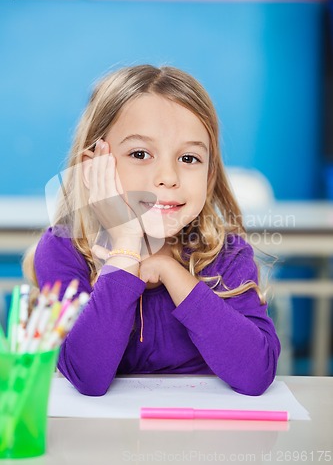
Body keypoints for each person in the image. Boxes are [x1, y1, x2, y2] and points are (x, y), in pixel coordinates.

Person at [23, 64, 280, 397]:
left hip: (200, 441)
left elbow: (256, 374)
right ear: (93, 169)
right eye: (140, 154)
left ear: (210, 174)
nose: (168, 176)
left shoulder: (226, 255)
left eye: (189, 158)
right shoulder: (64, 250)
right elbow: (88, 376)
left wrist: (172, 273)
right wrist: (126, 247)